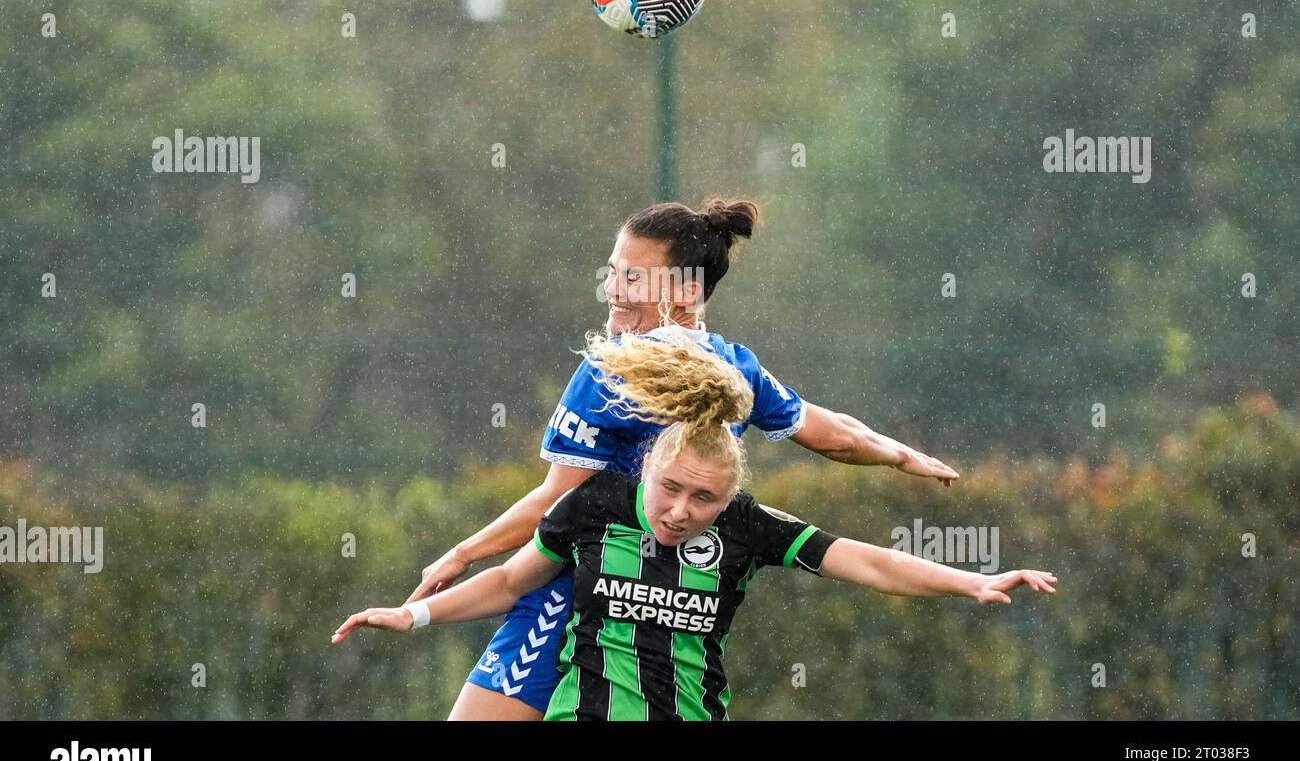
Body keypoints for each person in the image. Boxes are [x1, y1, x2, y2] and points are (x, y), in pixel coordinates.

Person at [407, 198, 960, 720]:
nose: (611, 290)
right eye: (612, 271)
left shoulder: (613, 370)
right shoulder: (734, 367)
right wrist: (900, 455)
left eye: (630, 277)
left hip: (574, 602)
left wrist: (463, 552)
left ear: (686, 290)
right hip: (671, 622)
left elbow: (558, 498)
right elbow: (833, 435)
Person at [334, 330, 1056, 720]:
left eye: (703, 501)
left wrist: (972, 583)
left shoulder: (750, 528)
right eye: (670, 490)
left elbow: (871, 563)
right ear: (644, 470)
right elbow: (507, 583)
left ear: (731, 497)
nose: (681, 511)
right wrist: (416, 616)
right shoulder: (592, 506)